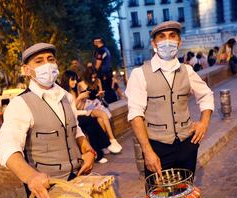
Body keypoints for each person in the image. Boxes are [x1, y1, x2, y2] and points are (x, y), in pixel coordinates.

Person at [0, 43, 96, 198]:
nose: (47, 65)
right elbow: (7, 149)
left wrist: (89, 151)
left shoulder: (67, 97)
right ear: (26, 70)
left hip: (78, 183)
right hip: (48, 191)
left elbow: (75, 131)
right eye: (39, 61)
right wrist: (31, 176)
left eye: (50, 59)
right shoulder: (20, 104)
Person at [125, 20, 214, 179]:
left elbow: (206, 95)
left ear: (179, 42)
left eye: (172, 36)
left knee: (185, 194)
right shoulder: (139, 74)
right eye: (161, 37)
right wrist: (147, 151)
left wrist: (204, 123)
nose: (167, 41)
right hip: (157, 149)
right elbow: (135, 115)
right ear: (154, 43)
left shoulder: (187, 71)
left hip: (187, 145)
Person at [60, 70, 111, 163]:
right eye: (72, 80)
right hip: (71, 119)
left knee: (92, 122)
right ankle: (103, 148)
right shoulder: (63, 94)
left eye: (75, 80)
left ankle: (101, 150)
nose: (75, 82)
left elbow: (78, 107)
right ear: (67, 80)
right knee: (91, 122)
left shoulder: (74, 91)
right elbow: (70, 110)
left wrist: (83, 99)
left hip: (78, 116)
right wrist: (79, 98)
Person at [78, 67, 123, 154]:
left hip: (97, 103)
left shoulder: (98, 81)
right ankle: (112, 139)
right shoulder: (81, 84)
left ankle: (103, 146)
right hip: (88, 105)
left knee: (101, 121)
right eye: (91, 77)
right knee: (103, 115)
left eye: (95, 77)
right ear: (87, 76)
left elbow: (101, 96)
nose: (93, 79)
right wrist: (86, 95)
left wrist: (101, 94)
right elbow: (81, 99)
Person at [92, 37, 118, 104]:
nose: (93, 42)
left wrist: (93, 70)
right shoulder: (106, 50)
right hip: (108, 72)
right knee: (109, 88)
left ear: (98, 41)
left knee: (105, 89)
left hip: (103, 74)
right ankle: (114, 100)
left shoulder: (100, 51)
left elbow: (98, 64)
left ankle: (110, 102)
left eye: (94, 41)